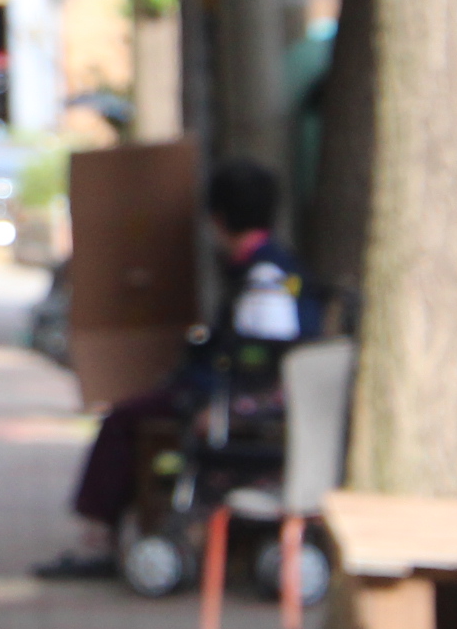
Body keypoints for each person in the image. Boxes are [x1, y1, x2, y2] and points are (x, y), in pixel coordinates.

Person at [35, 156, 305, 581]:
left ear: (218, 219)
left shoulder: (262, 280)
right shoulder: (274, 269)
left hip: (230, 404)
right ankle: (118, 530)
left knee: (123, 419)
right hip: (228, 394)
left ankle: (103, 535)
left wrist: (224, 406)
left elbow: (262, 364)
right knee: (133, 414)